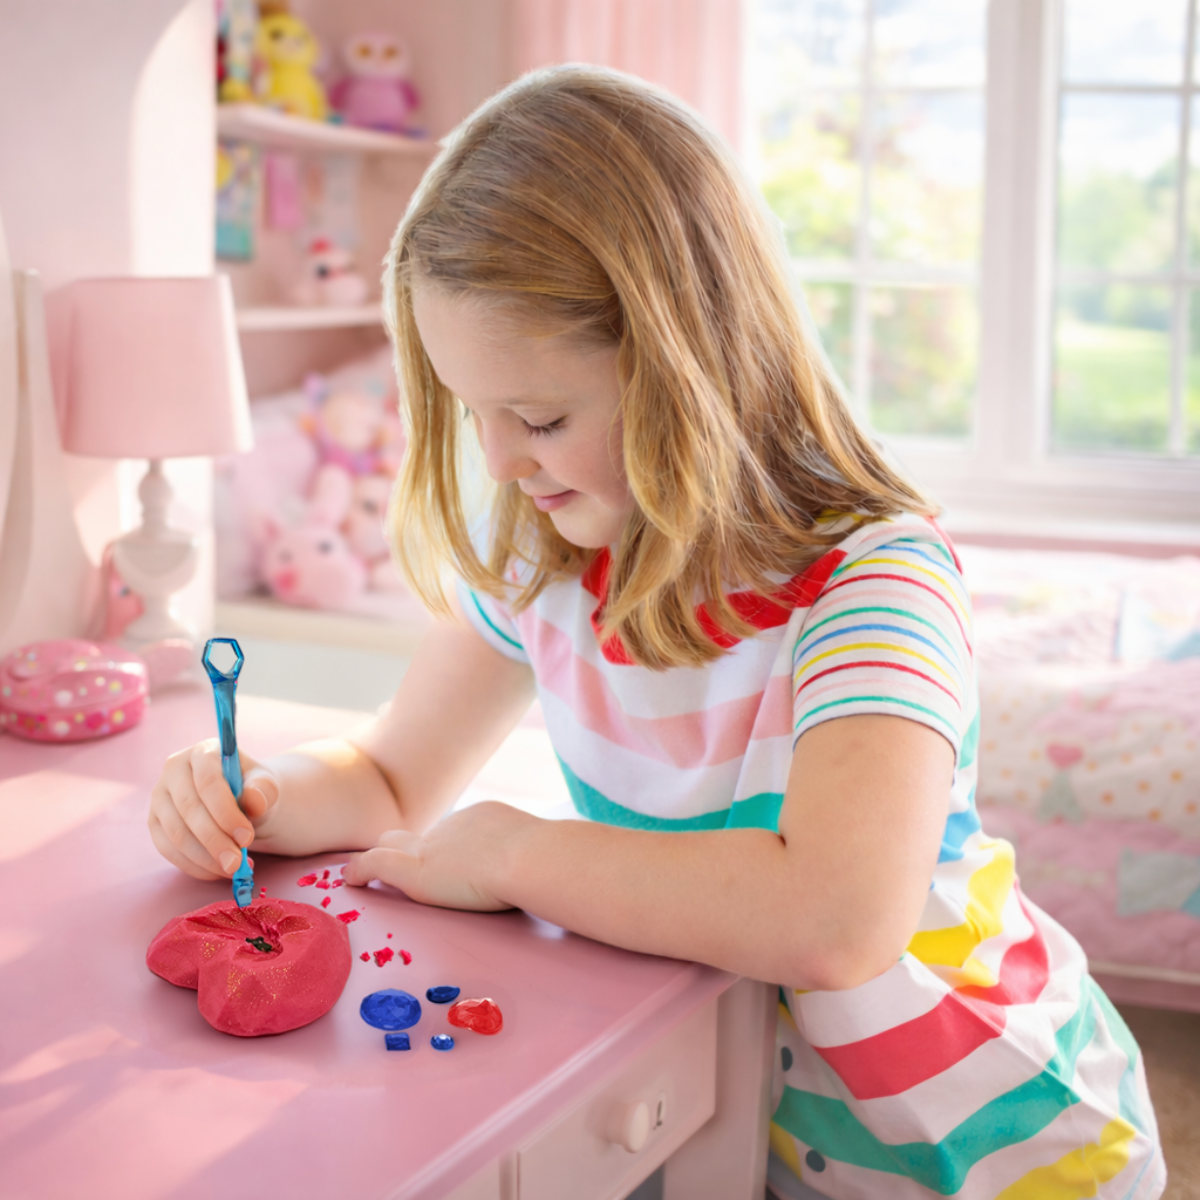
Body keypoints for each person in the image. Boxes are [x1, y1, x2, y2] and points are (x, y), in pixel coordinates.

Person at [150, 66, 1164, 1200]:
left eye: (538, 418)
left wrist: (517, 854)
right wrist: (257, 794)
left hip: (993, 1144)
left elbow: (835, 918)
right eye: (468, 411)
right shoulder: (548, 566)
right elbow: (388, 775)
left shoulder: (873, 583)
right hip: (750, 1120)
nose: (496, 461)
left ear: (694, 366)